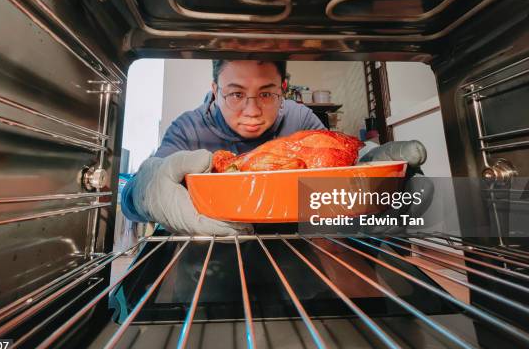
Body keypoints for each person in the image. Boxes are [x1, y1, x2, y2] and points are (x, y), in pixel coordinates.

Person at [121, 59, 427, 235]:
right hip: (206, 262)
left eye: (266, 94)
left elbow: (336, 175)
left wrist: (374, 178)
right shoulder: (188, 128)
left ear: (283, 89)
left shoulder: (301, 118)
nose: (252, 111)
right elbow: (129, 203)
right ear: (215, 91)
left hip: (292, 251)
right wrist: (144, 191)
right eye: (235, 95)